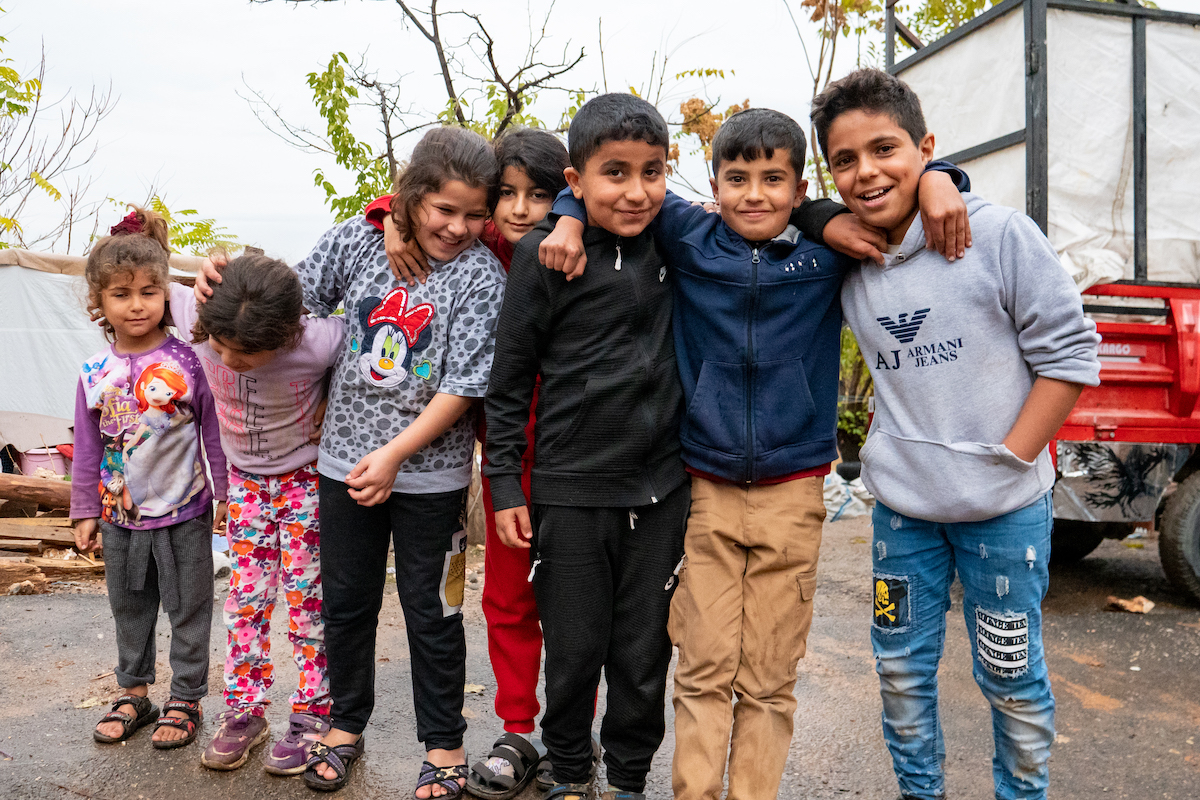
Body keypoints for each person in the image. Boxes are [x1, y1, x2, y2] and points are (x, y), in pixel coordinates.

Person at [539, 107, 971, 800]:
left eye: (774, 180)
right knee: (704, 665)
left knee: (769, 676)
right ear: (712, 185)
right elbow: (606, 185)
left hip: (794, 493)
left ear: (799, 192)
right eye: (737, 179)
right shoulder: (688, 235)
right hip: (704, 489)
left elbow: (897, 200)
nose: (755, 195)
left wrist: (943, 178)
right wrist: (564, 214)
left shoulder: (826, 252)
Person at [811, 68, 1100, 800]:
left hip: (1005, 514)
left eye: (886, 149)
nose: (866, 172)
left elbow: (1069, 355)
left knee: (1010, 678)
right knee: (900, 672)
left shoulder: (998, 235)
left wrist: (1010, 458)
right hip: (903, 517)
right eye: (845, 161)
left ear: (927, 147)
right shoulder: (848, 264)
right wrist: (821, 220)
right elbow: (763, 212)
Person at [200, 125, 507, 796]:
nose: (458, 226)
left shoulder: (483, 276)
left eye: (473, 213)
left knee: (435, 612)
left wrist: (396, 455)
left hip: (431, 476)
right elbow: (291, 305)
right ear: (410, 197)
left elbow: (462, 384)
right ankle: (343, 724)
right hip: (338, 467)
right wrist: (216, 287)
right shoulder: (357, 240)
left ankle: (446, 745)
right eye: (443, 210)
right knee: (344, 602)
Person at [484, 93, 688, 800]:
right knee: (572, 655)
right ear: (577, 180)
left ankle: (628, 780)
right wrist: (506, 484)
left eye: (653, 171)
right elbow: (508, 382)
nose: (636, 191)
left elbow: (774, 215)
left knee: (641, 656)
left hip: (661, 492)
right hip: (568, 493)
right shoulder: (546, 258)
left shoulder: (676, 242)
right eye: (615, 173)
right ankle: (571, 774)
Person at [363, 127, 577, 799]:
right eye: (504, 195)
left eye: (539, 195)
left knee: (578, 605)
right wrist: (389, 221)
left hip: (583, 464)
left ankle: (576, 732)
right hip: (506, 463)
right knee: (508, 599)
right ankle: (518, 729)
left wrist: (569, 216)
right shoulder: (482, 245)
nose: (518, 209)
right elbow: (415, 205)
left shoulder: (583, 251)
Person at [170, 255, 343, 773]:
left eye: (245, 353)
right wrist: (201, 267)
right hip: (245, 483)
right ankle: (245, 710)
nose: (226, 358)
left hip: (305, 481)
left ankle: (313, 710)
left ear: (289, 335)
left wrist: (331, 396)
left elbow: (368, 333)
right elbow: (146, 272)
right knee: (245, 600)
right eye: (218, 347)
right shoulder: (195, 315)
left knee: (308, 601)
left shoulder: (318, 341)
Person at [71, 207, 228, 750]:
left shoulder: (190, 362)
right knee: (129, 606)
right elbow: (88, 447)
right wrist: (84, 510)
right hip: (120, 516)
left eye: (147, 291)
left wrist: (225, 493)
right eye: (120, 293)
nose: (135, 304)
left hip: (186, 510)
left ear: (166, 294)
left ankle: (185, 698)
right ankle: (134, 692)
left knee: (189, 604)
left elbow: (213, 432)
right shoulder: (94, 374)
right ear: (99, 304)